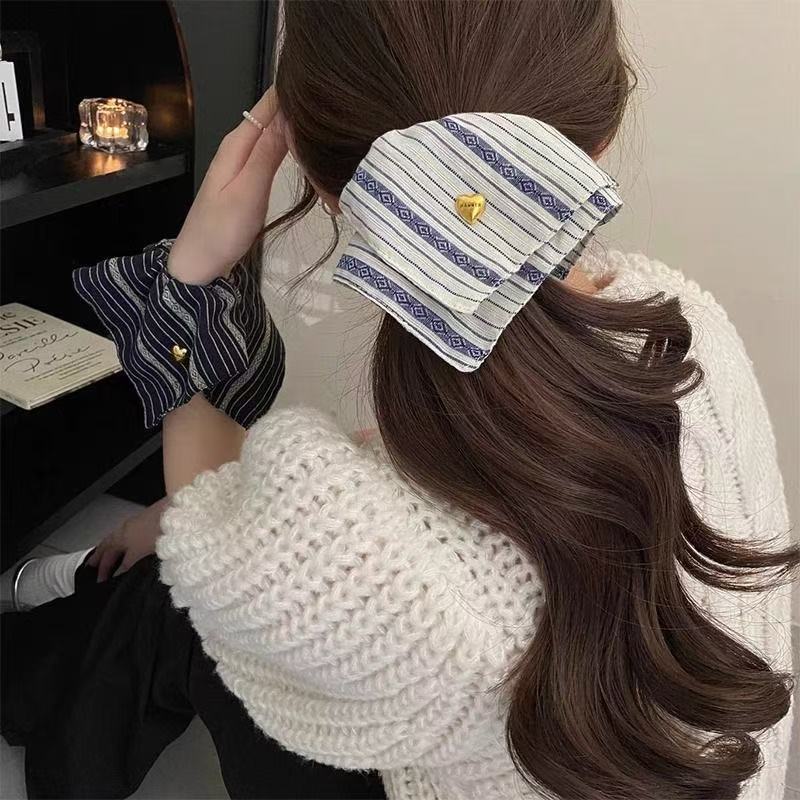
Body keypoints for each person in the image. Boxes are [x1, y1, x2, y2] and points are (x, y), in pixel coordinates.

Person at [1, 2, 796, 799]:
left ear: (307, 163)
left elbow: (220, 526)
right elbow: (434, 475)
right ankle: (52, 632)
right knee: (164, 583)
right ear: (602, 135)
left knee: (175, 600)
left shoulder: (355, 568)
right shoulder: (684, 328)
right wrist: (187, 518)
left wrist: (192, 273)